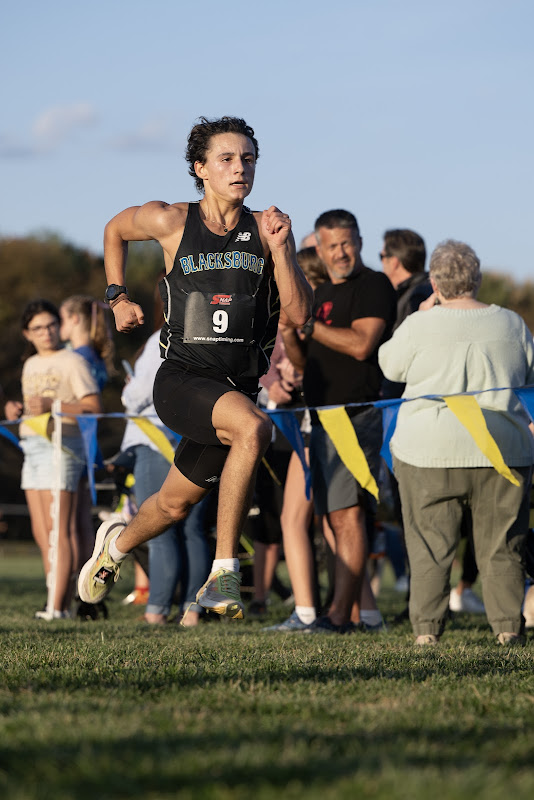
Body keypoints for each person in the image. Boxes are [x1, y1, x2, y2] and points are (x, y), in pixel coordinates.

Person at [78, 115, 312, 619]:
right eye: (227, 159)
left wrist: (282, 250)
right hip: (182, 380)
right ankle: (223, 573)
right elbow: (115, 229)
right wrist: (117, 297)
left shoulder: (267, 230)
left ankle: (114, 547)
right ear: (200, 168)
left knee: (173, 505)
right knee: (254, 429)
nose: (240, 168)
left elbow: (299, 316)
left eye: (248, 159)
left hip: (235, 389)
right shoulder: (171, 221)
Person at [379, 239, 534, 646]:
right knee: (503, 544)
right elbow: (528, 377)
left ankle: (427, 632)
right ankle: (508, 628)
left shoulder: (419, 324)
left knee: (429, 546)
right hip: (503, 449)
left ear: (434, 283)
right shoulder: (512, 323)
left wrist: (419, 316)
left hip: (427, 449)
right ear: (477, 279)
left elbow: (389, 366)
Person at [280, 210, 397, 633]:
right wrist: (290, 332)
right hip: (321, 419)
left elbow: (363, 345)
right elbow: (303, 363)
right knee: (332, 519)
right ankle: (347, 613)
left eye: (346, 243)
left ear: (360, 241)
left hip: (355, 417)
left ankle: (339, 617)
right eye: (331, 246)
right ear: (320, 249)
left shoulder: (374, 285)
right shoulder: (322, 291)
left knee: (347, 517)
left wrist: (309, 324)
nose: (340, 253)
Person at [9, 299, 102, 618]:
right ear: (27, 333)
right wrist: (16, 410)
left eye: (51, 325)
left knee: (59, 529)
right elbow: (32, 407)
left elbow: (94, 408)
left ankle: (59, 606)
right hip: (32, 447)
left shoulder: (73, 361)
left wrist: (55, 406)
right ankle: (56, 596)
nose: (46, 332)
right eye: (38, 328)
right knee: (41, 530)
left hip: (63, 447)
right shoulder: (30, 364)